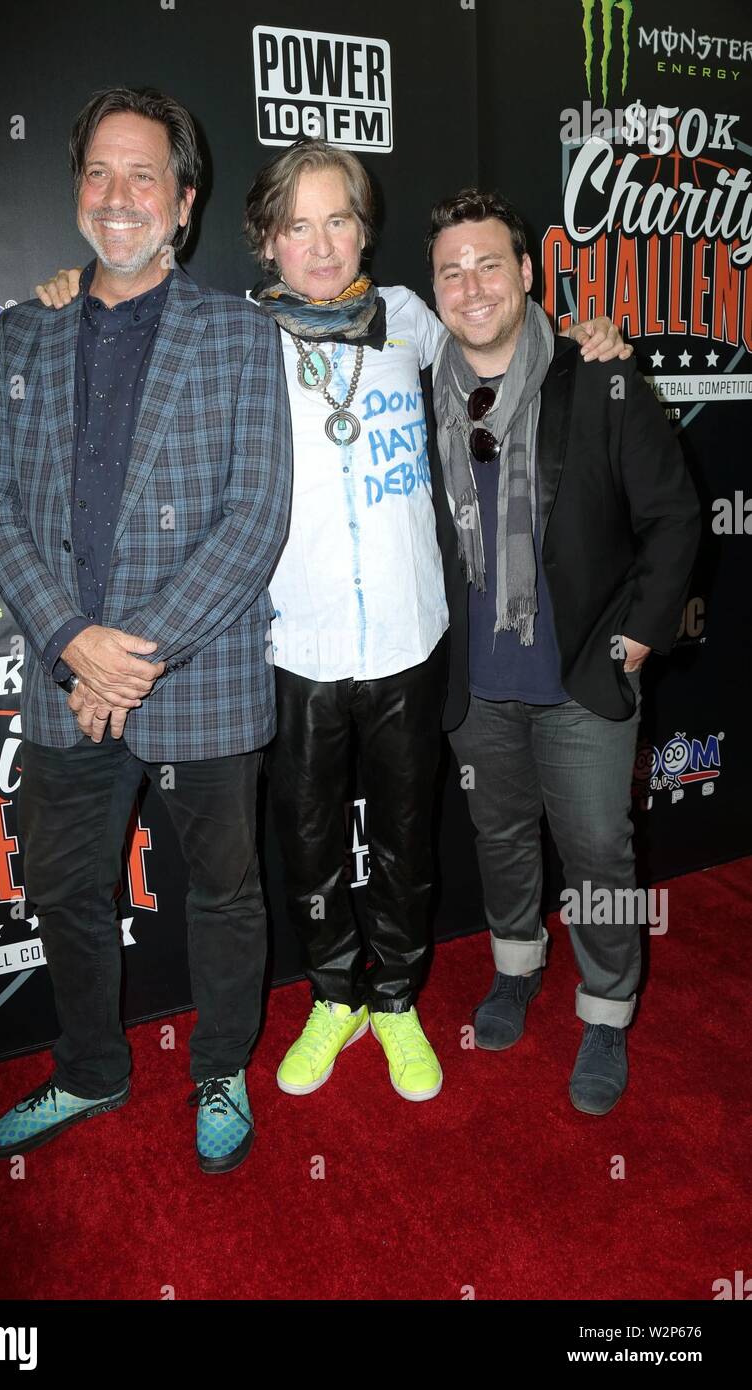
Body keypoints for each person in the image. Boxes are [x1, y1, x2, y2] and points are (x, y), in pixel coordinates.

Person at [35, 140, 628, 1106]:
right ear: (266, 240)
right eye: (298, 224)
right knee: (307, 844)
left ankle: (394, 998)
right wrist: (74, 289)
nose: (321, 243)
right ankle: (333, 996)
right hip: (293, 642)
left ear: (365, 228)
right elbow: (128, 323)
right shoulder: (231, 337)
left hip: (410, 634)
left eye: (340, 219)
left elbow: (507, 346)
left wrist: (583, 334)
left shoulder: (410, 319)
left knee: (405, 840)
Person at [0, 86, 292, 1174]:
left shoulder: (242, 335)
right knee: (64, 887)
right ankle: (93, 1068)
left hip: (200, 686)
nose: (117, 196)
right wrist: (71, 641)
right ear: (76, 192)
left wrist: (129, 657)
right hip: (67, 681)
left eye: (142, 174)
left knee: (224, 891)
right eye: (98, 173)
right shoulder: (24, 330)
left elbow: (255, 518)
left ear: (184, 201)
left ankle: (220, 1067)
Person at [427, 188, 700, 1114]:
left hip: (586, 672)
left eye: (489, 264)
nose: (471, 286)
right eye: (451, 271)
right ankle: (515, 969)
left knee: (599, 853)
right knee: (501, 840)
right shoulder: (419, 389)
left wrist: (636, 639)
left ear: (526, 274)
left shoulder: (601, 376)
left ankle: (610, 1007)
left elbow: (672, 517)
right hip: (478, 683)